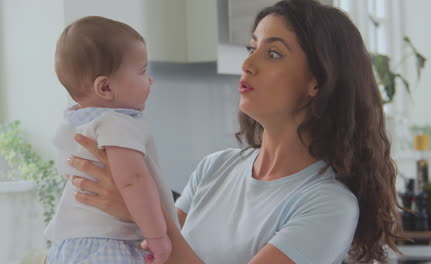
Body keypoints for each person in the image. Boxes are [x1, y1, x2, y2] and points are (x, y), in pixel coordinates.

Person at [66, 0, 403, 263]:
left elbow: (167, 243)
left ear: (317, 81)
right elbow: (157, 254)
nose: (248, 63)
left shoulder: (328, 205)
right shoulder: (215, 169)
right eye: (251, 47)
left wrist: (139, 211)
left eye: (272, 53)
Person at [45, 16, 178, 264]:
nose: (150, 80)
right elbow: (132, 181)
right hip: (110, 245)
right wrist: (158, 237)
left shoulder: (76, 122)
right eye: (141, 71)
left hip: (70, 245)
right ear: (105, 87)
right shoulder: (116, 123)